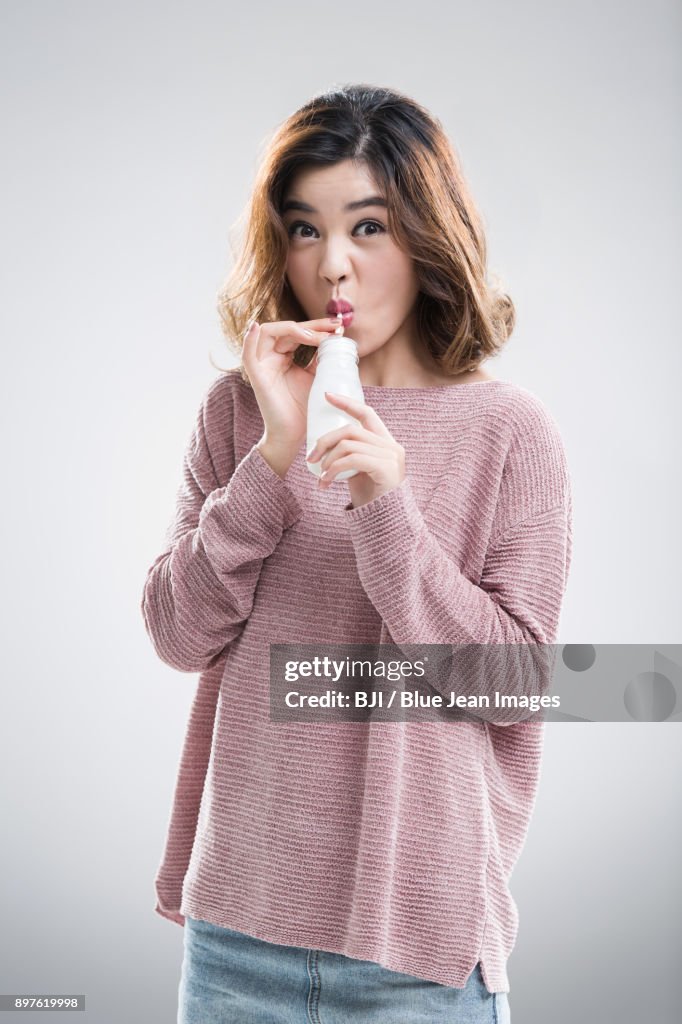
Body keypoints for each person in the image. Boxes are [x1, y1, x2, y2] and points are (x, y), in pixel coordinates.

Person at [141, 83, 572, 1024]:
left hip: (414, 954)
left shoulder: (508, 431)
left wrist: (385, 504)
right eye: (304, 230)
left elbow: (515, 684)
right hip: (233, 943)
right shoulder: (238, 414)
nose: (332, 265)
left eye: (367, 227)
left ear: (426, 235)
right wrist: (272, 458)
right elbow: (178, 635)